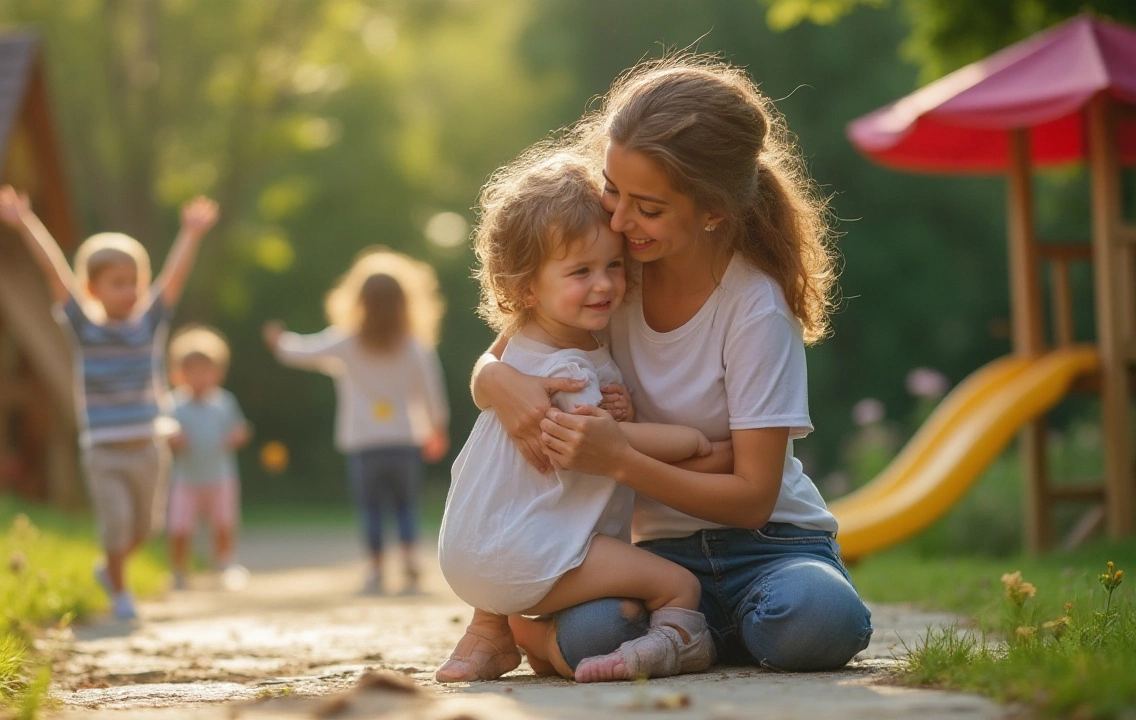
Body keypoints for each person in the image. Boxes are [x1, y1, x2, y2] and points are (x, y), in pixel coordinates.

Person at [471, 55, 874, 680]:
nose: (619, 219)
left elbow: (751, 498)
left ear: (712, 210)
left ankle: (715, 630)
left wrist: (620, 460)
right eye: (612, 189)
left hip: (770, 549)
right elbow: (504, 355)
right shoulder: (609, 278)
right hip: (656, 559)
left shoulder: (754, 308)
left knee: (816, 617)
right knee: (592, 634)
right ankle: (697, 633)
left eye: (647, 208)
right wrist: (497, 384)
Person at [435, 151, 728, 684]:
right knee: (677, 585)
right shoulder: (567, 368)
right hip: (528, 554)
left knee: (529, 518)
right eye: (580, 272)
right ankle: (683, 646)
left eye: (613, 265)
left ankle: (491, 633)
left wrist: (616, 405)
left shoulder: (523, 347)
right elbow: (609, 443)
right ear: (527, 287)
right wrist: (688, 439)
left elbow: (585, 418)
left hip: (471, 550)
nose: (604, 284)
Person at [0, 185, 219, 620]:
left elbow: (173, 279)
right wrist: (25, 222)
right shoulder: (85, 327)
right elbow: (54, 272)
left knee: (146, 528)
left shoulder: (148, 325)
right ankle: (120, 592)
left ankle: (106, 569)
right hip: (105, 451)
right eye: (118, 283)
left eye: (134, 281)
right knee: (116, 528)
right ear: (93, 289)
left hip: (148, 449)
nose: (130, 290)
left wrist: (190, 234)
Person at [262, 248, 449, 596]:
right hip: (404, 441)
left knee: (372, 508)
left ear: (357, 300)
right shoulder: (413, 346)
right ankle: (409, 559)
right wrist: (437, 428)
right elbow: (431, 392)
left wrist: (279, 343)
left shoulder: (346, 342)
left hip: (364, 443)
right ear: (407, 302)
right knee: (405, 504)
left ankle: (376, 568)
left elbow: (306, 350)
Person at [166, 325, 251, 591]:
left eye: (206, 370)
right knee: (180, 527)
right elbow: (164, 431)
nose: (200, 377)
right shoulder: (173, 404)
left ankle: (225, 563)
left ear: (217, 373)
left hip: (220, 477)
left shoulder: (224, 402)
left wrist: (236, 437)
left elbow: (241, 429)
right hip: (186, 479)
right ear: (179, 374)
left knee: (224, 523)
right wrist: (174, 439)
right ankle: (179, 570)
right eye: (193, 370)